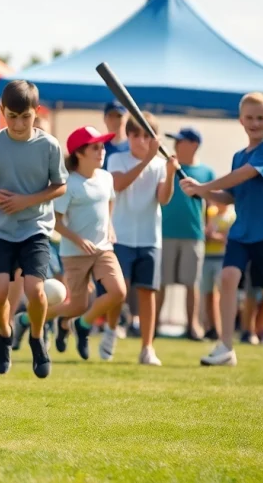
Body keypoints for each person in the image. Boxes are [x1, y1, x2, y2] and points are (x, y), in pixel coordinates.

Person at [182, 91, 263, 370]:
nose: (255, 123)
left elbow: (242, 175)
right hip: (240, 232)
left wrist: (203, 187)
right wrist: (202, 194)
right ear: (241, 120)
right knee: (229, 277)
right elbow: (232, 195)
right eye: (250, 118)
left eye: (261, 118)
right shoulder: (237, 155)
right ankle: (226, 347)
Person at [0, 80, 67, 378]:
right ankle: (4, 334)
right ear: (2, 111)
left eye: (26, 116)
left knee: (35, 291)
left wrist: (28, 201)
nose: (19, 123)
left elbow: (60, 186)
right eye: (12, 116)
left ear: (36, 112)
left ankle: (37, 338)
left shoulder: (49, 145)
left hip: (36, 227)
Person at [49, 126, 127, 361]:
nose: (101, 151)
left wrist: (110, 226)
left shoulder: (106, 177)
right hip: (74, 253)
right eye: (95, 147)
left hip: (104, 248)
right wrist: (79, 240)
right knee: (77, 305)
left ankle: (82, 326)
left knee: (118, 292)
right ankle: (27, 320)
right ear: (79, 154)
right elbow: (56, 222)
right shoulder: (69, 184)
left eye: (102, 146)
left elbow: (110, 201)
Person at [107, 112, 176, 366]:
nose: (141, 140)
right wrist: (149, 159)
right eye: (136, 134)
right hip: (121, 235)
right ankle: (112, 330)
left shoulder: (159, 165)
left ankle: (147, 347)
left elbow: (164, 198)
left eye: (147, 136)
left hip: (150, 237)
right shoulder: (116, 158)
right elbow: (119, 184)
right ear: (129, 135)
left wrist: (169, 174)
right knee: (119, 291)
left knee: (147, 293)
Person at [159, 127, 215, 341]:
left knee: (192, 283)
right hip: (165, 232)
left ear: (194, 144)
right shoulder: (168, 169)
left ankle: (193, 326)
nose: (176, 145)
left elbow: (211, 202)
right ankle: (153, 324)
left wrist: (209, 226)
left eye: (180, 141)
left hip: (193, 234)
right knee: (162, 282)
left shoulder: (206, 172)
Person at [200, 203, 235, 340]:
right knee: (208, 294)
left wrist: (213, 236)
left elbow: (228, 238)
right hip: (207, 257)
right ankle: (211, 328)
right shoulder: (210, 213)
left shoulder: (231, 216)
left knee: (221, 295)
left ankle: (222, 330)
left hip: (222, 258)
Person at [102, 101, 130, 170]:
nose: (115, 120)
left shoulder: (134, 144)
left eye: (119, 116)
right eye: (111, 116)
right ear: (105, 119)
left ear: (127, 118)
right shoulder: (98, 146)